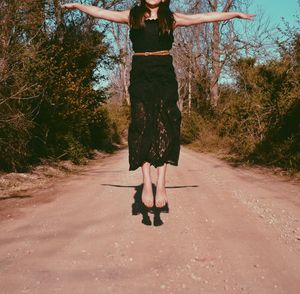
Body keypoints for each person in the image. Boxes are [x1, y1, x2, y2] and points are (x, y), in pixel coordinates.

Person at [61, 1, 255, 211]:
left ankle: (161, 183)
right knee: (141, 124)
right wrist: (78, 6)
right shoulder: (132, 16)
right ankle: (146, 182)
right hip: (141, 73)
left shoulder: (171, 19)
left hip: (164, 73)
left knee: (166, 123)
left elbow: (204, 17)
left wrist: (234, 14)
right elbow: (100, 12)